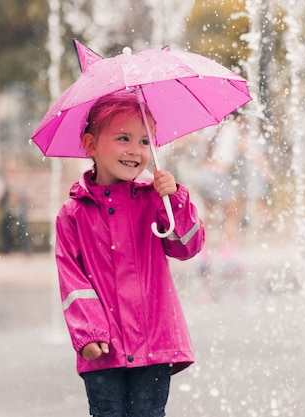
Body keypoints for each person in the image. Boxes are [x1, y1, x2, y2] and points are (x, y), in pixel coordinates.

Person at [54, 91, 205, 417]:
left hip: (154, 342)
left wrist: (175, 200)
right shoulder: (74, 213)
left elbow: (187, 246)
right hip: (104, 346)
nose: (135, 151)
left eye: (144, 141)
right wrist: (88, 332)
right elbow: (71, 279)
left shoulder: (155, 198)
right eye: (123, 138)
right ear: (91, 145)